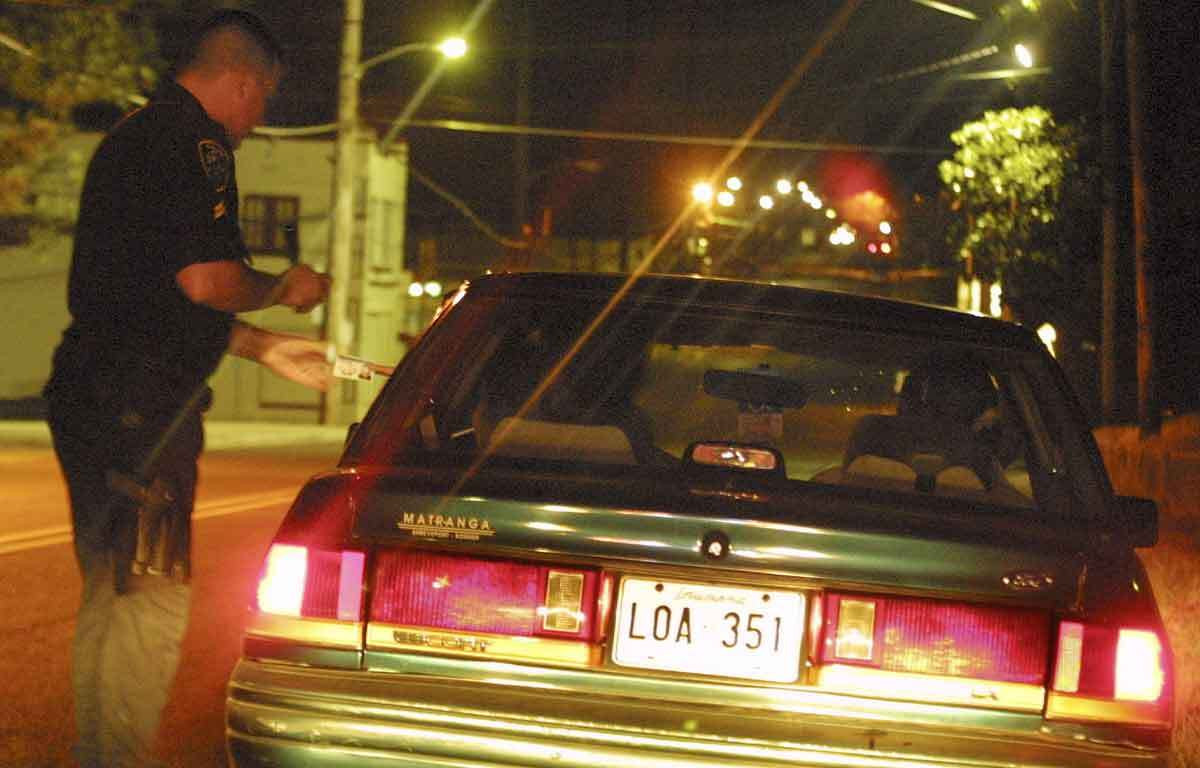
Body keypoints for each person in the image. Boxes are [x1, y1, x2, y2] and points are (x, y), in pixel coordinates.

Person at [42, 10, 332, 767]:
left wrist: (263, 348)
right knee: (154, 598)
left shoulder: (131, 137)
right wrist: (285, 287)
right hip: (144, 408)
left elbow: (148, 299)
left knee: (114, 594)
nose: (259, 117)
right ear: (240, 81)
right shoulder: (195, 144)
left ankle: (98, 755)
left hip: (92, 392)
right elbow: (206, 281)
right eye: (261, 97)